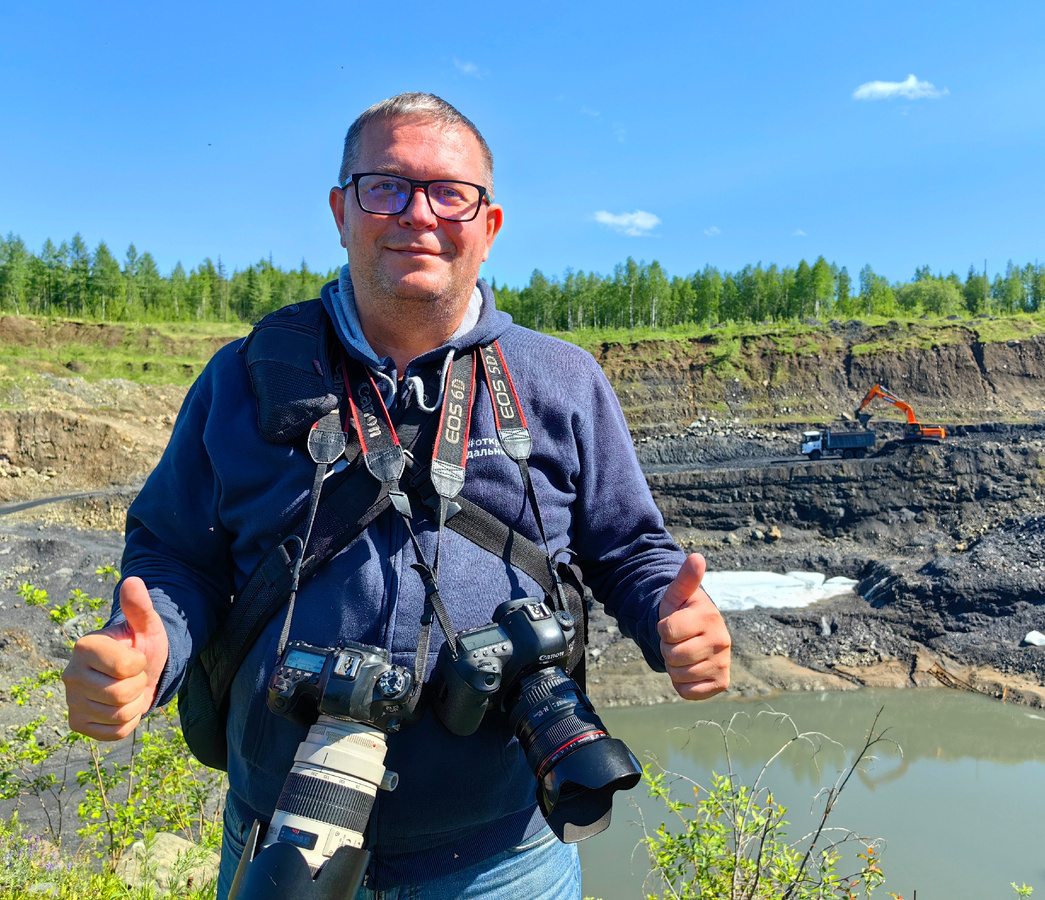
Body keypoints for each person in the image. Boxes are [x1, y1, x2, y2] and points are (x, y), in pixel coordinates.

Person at [62, 92, 731, 900]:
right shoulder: (239, 380)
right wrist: (147, 650)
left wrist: (671, 614)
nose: (418, 213)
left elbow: (629, 549)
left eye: (451, 193)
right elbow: (175, 558)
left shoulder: (562, 379)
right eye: (385, 186)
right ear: (342, 211)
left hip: (505, 855)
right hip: (283, 836)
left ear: (488, 227)